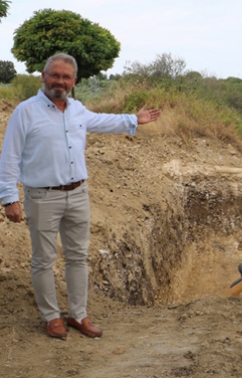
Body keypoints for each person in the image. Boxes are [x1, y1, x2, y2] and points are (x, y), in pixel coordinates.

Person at [0, 53, 161, 339]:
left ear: (74, 82)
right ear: (43, 77)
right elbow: (9, 156)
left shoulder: (77, 110)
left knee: (77, 257)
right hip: (42, 197)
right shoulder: (25, 111)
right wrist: (9, 197)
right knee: (43, 260)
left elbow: (102, 121)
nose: (59, 81)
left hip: (78, 195)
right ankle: (51, 317)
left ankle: (78, 314)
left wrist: (134, 119)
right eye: (54, 75)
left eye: (65, 77)